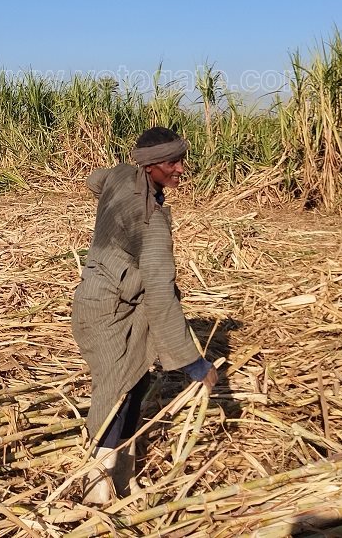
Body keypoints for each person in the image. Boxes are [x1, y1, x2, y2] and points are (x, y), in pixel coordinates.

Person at [71, 126, 219, 504]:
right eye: (172, 163)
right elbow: (160, 294)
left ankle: (122, 477)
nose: (180, 169)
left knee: (135, 385)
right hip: (109, 313)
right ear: (150, 166)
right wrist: (194, 364)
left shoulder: (121, 175)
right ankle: (96, 489)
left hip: (101, 297)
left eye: (181, 160)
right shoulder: (151, 223)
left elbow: (95, 180)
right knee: (116, 396)